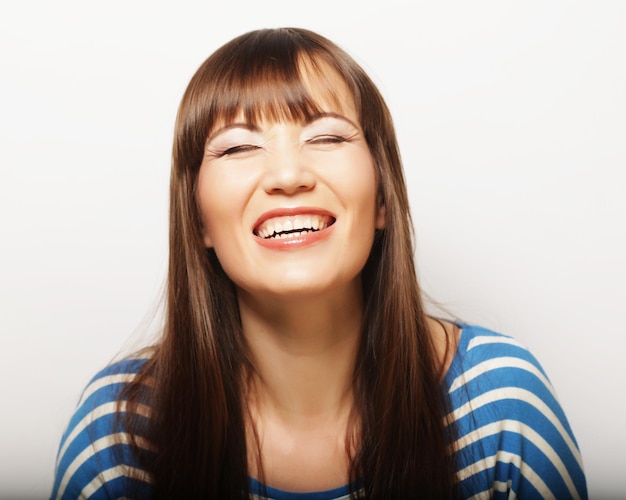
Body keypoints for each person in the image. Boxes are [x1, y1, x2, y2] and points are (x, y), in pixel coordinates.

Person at [50, 27, 587, 499]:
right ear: (199, 221)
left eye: (327, 136)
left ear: (382, 198)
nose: (288, 174)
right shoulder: (116, 438)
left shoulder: (503, 404)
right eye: (237, 148)